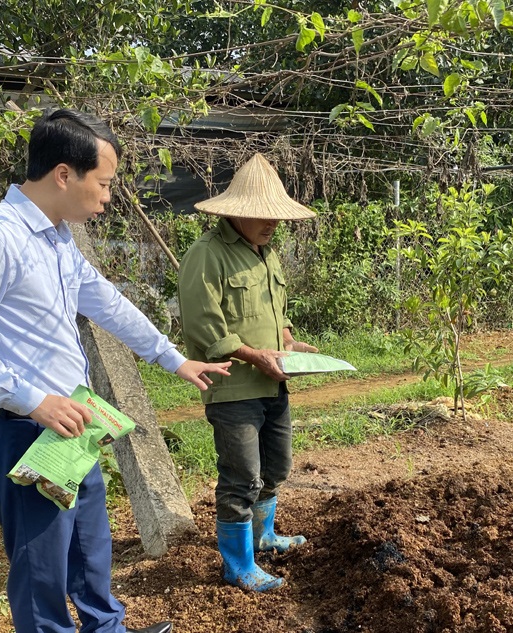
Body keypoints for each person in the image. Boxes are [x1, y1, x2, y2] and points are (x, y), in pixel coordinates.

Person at [0, 108, 231, 633]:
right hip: (25, 431)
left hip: (72, 426)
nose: (109, 196)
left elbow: (106, 303)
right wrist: (34, 400)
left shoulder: (56, 237)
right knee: (41, 571)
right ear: (65, 174)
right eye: (105, 182)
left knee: (91, 551)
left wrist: (173, 358)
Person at [177, 153, 318, 592]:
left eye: (275, 216)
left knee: (277, 467)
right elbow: (204, 326)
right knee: (241, 478)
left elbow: (275, 313)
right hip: (234, 388)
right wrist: (255, 355)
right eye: (261, 214)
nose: (270, 222)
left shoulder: (266, 254)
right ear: (235, 210)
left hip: (272, 384)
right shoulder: (206, 255)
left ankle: (264, 537)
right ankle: (237, 565)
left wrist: (289, 343)